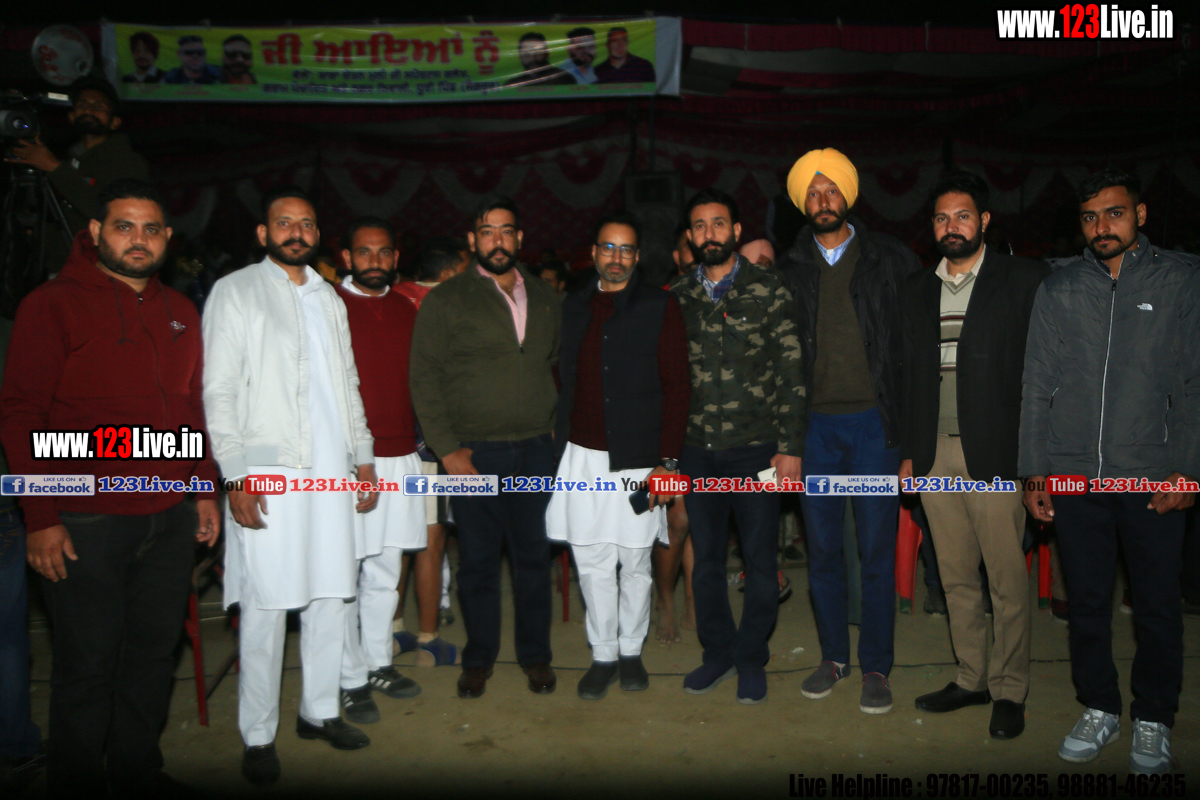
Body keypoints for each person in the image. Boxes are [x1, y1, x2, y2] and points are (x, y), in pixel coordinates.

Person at [0, 179, 220, 796]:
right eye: (124, 227)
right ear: (96, 232)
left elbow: (190, 410)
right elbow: (20, 414)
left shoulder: (181, 311)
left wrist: (203, 489)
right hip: (85, 520)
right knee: (86, 668)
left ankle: (136, 771)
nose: (138, 240)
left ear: (168, 238)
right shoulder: (52, 304)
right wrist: (41, 517)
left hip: (168, 517)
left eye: (151, 229)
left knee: (151, 658)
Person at [1019, 168, 1200, 774]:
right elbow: (1036, 384)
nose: (1102, 227)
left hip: (1152, 474)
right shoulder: (1059, 288)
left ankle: (1153, 717)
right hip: (1074, 476)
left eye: (1114, 213)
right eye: (1090, 216)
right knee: (1088, 604)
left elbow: (1195, 384)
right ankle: (1099, 706)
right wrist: (1034, 472)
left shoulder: (1181, 281)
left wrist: (1187, 472)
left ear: (1139, 215)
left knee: (1156, 607)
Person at [203, 186, 380, 786]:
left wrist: (362, 458)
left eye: (306, 223)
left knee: (332, 594)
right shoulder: (235, 291)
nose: (296, 232)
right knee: (267, 604)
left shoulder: (329, 297)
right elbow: (219, 391)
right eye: (285, 222)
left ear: (316, 234)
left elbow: (348, 382)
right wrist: (235, 474)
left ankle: (319, 711)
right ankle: (258, 735)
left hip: (332, 471)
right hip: (268, 471)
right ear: (263, 233)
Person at [899, 170, 1049, 739]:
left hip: (996, 454)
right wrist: (910, 453)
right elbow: (909, 377)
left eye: (962, 215)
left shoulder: (1023, 280)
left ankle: (1010, 690)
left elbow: (1042, 375)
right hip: (934, 456)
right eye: (942, 218)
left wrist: (1035, 461)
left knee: (1007, 581)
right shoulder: (916, 289)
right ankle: (971, 678)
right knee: (956, 576)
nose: (951, 226)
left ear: (984, 220)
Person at [775, 148, 920, 714]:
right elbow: (779, 364)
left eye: (830, 189)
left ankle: (876, 666)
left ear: (847, 195)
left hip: (875, 428)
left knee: (877, 550)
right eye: (812, 193)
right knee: (824, 550)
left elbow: (912, 350)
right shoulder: (789, 269)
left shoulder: (890, 259)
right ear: (803, 204)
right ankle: (833, 657)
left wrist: (911, 442)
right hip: (815, 430)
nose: (822, 200)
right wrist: (787, 442)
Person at [409, 196, 561, 699]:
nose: (498, 241)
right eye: (488, 232)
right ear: (473, 240)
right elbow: (424, 378)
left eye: (507, 231)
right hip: (473, 456)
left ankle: (536, 656)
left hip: (535, 451)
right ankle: (479, 658)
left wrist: (554, 433)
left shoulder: (544, 296)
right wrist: (448, 449)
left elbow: (554, 366)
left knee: (533, 559)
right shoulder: (447, 299)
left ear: (520, 238)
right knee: (477, 562)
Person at [546, 211, 690, 699]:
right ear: (593, 253)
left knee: (635, 562)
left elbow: (677, 386)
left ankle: (631, 651)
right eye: (608, 247)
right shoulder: (573, 305)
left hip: (640, 458)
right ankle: (603, 654)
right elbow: (561, 375)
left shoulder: (660, 306)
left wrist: (668, 463)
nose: (616, 257)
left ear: (637, 256)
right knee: (591, 561)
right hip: (582, 454)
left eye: (626, 249)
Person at [671, 187, 805, 704]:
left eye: (719, 223)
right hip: (697, 450)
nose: (710, 234)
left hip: (757, 451)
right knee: (706, 562)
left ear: (736, 231)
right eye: (700, 225)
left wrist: (791, 447)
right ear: (690, 236)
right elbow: (666, 381)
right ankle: (718, 654)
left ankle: (751, 657)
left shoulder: (769, 289)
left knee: (760, 562)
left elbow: (792, 372)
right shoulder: (676, 297)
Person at [333, 216, 427, 723]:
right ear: (346, 258)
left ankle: (377, 663)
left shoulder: (406, 309)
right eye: (364, 252)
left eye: (384, 252)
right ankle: (348, 678)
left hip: (401, 454)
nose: (375, 261)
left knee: (386, 571)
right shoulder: (327, 306)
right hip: (348, 463)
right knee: (344, 574)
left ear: (395, 257)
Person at [393, 236, 469, 665]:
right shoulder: (446, 306)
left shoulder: (388, 301)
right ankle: (428, 639)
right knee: (430, 539)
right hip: (430, 444)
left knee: (391, 542)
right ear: (447, 274)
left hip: (386, 444)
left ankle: (391, 632)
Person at [5, 78, 150, 274]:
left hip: (101, 273)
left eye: (99, 106)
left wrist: (54, 167)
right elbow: (64, 219)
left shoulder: (128, 162)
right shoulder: (71, 160)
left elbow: (113, 215)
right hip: (63, 270)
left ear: (115, 122)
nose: (89, 109)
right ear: (72, 116)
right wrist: (32, 231)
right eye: (82, 105)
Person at [654, 223, 698, 643]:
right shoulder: (661, 301)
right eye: (688, 245)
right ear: (676, 255)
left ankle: (692, 597)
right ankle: (665, 597)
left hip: (711, 427)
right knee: (678, 519)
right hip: (669, 425)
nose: (697, 249)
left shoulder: (723, 295)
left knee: (699, 519)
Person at [504, 32, 574, 87]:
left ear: (546, 53)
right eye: (527, 54)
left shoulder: (563, 79)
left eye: (538, 52)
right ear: (520, 57)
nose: (533, 58)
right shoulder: (512, 85)